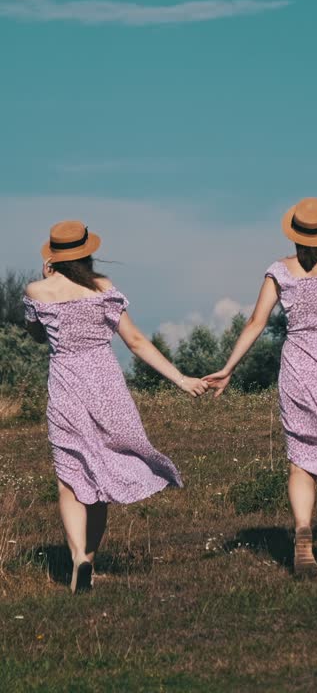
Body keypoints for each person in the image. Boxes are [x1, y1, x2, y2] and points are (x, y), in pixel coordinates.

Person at [204, 198, 317, 576]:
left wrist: (228, 368)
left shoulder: (280, 271)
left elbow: (255, 322)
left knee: (302, 456)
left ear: (297, 235)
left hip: (298, 362)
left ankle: (303, 527)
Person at [24, 220, 208, 594]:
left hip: (66, 385)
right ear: (88, 252)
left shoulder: (37, 291)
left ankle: (77, 559)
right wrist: (181, 379)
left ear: (53, 256)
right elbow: (136, 342)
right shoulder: (104, 289)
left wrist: (46, 279)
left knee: (70, 475)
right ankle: (90, 558)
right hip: (106, 383)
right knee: (103, 471)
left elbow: (36, 332)